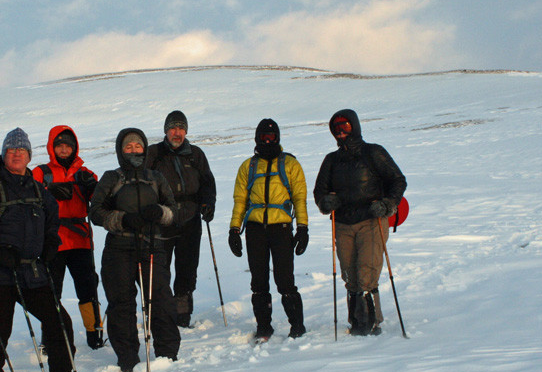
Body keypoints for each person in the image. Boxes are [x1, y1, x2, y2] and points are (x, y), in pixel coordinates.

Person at [0, 127, 90, 372]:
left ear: (28, 155)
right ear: (3, 154)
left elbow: (52, 223)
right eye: (11, 150)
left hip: (32, 271)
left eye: (21, 151)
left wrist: (51, 246)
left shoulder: (39, 190)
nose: (16, 155)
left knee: (59, 321)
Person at [89, 128, 180, 372]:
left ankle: (168, 353)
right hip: (119, 248)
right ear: (120, 150)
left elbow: (173, 211)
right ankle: (127, 358)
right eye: (128, 147)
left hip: (152, 246)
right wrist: (123, 219)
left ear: (144, 148)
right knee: (121, 304)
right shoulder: (111, 177)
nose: (133, 151)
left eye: (137, 146)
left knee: (160, 300)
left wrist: (160, 213)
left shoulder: (156, 177)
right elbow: (95, 211)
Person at [313, 109, 407, 336]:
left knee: (366, 271)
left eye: (345, 126)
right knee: (349, 275)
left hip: (371, 219)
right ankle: (356, 322)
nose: (340, 131)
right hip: (343, 222)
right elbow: (319, 192)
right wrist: (327, 202)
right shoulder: (331, 160)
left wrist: (387, 204)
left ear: (354, 126)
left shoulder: (373, 152)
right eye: (336, 128)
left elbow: (397, 180)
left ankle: (371, 322)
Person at [228, 118, 309, 342]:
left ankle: (297, 326)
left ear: (278, 138)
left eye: (271, 137)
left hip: (281, 228)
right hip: (254, 229)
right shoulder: (248, 166)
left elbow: (300, 198)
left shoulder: (290, 164)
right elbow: (240, 201)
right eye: (263, 137)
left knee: (285, 280)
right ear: (256, 139)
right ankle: (264, 327)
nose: (267, 140)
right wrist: (234, 229)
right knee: (259, 281)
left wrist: (302, 228)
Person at [33, 125, 104, 349]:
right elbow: (28, 199)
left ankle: (95, 333)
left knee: (88, 287)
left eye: (68, 145)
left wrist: (93, 187)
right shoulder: (40, 173)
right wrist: (46, 193)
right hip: (52, 239)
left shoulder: (86, 174)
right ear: (52, 147)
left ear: (75, 148)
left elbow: (101, 202)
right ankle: (51, 337)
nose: (64, 149)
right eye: (60, 145)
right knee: (51, 291)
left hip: (81, 239)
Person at [145, 110, 216, 328]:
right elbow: (142, 183)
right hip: (162, 220)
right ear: (166, 130)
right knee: (160, 270)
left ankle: (183, 315)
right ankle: (162, 314)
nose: (177, 133)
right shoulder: (153, 153)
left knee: (187, 269)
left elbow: (207, 183)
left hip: (190, 220)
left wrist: (208, 203)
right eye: (173, 128)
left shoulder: (195, 154)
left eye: (181, 128)